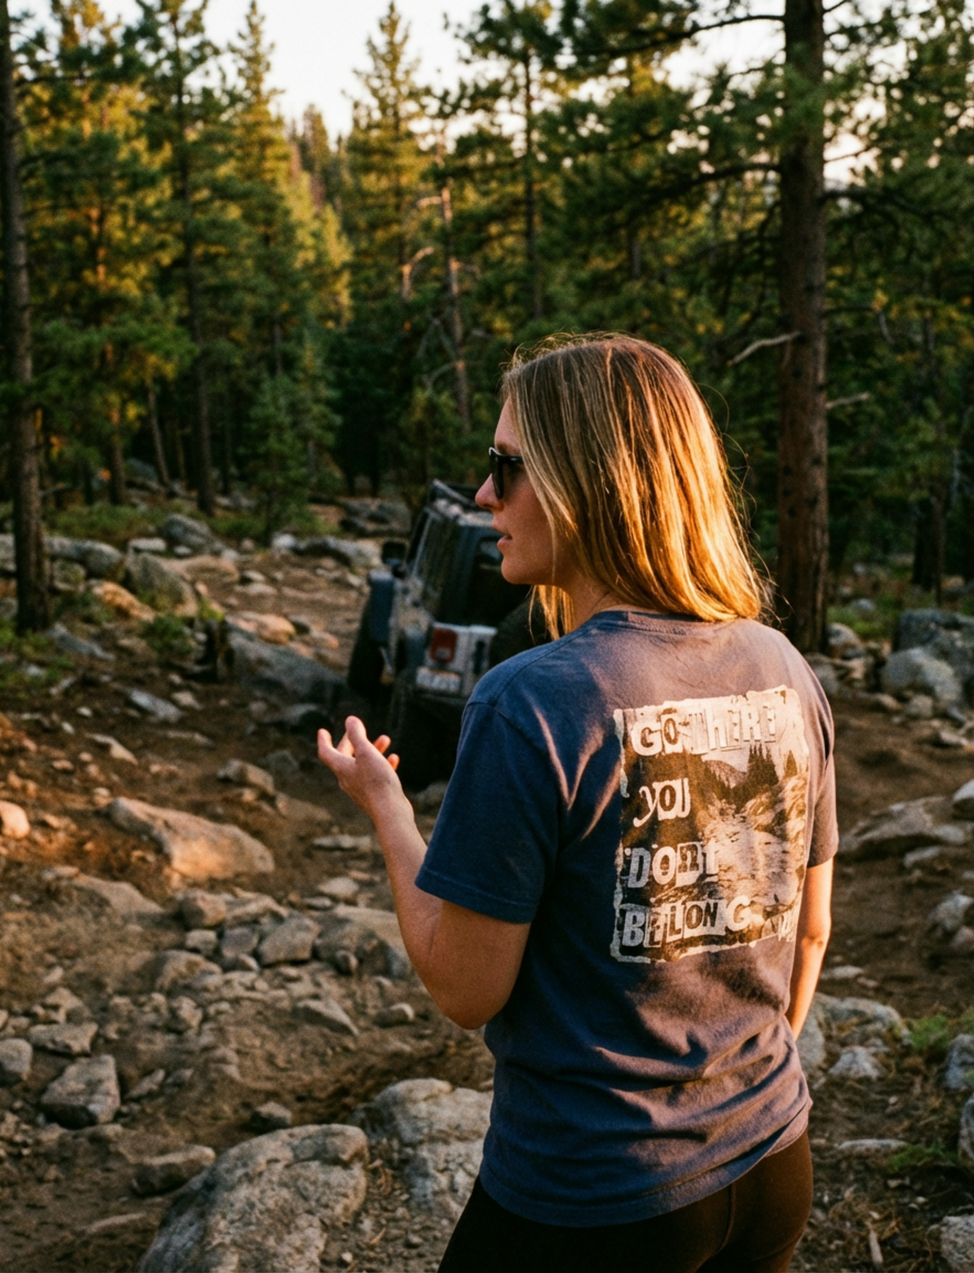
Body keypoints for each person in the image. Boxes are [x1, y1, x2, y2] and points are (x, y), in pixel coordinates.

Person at [318, 333, 836, 1273]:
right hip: (771, 1165)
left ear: (585, 481)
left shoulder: (532, 701)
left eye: (504, 467)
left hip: (593, 1198)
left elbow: (466, 987)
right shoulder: (782, 668)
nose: (484, 496)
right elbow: (807, 933)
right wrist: (730, 1098)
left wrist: (388, 808)